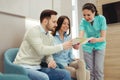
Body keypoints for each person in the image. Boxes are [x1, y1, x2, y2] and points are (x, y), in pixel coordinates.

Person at [13, 9, 73, 80]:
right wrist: (62, 46)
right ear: (45, 21)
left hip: (38, 67)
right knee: (44, 77)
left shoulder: (49, 37)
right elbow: (41, 50)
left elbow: (48, 54)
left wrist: (50, 61)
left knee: (65, 73)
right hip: (23, 67)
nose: (56, 25)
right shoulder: (33, 31)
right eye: (54, 22)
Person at [52, 16, 90, 80]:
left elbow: (70, 53)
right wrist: (63, 46)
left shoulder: (68, 38)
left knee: (81, 62)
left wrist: (74, 58)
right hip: (59, 64)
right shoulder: (53, 38)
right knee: (84, 73)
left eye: (68, 24)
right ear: (59, 23)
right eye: (64, 23)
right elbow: (53, 52)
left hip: (69, 62)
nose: (66, 25)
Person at [79, 3, 107, 80]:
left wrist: (96, 40)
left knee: (98, 69)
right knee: (89, 70)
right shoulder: (83, 21)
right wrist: (77, 42)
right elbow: (81, 35)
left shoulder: (101, 19)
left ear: (94, 12)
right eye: (84, 15)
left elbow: (103, 38)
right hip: (87, 46)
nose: (86, 17)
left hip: (99, 45)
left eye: (88, 15)